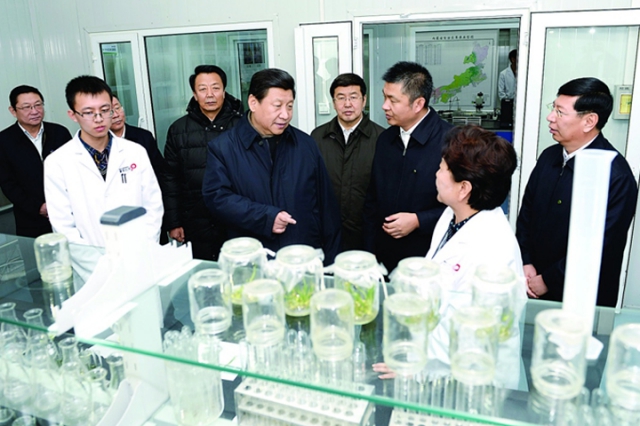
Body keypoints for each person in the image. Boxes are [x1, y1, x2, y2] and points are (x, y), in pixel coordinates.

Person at [374, 125, 526, 389]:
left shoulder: (491, 251)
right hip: (437, 365)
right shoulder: (453, 215)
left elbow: (472, 339)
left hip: (471, 381)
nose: (436, 173)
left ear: (463, 188)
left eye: (442, 168)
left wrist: (417, 367)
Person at [516, 77, 638, 307]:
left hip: (580, 298)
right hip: (530, 280)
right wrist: (525, 261)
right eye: (553, 108)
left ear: (589, 121)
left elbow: (601, 246)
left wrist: (549, 280)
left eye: (560, 112)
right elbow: (527, 214)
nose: (550, 117)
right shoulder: (549, 157)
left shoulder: (615, 176)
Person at [202, 68, 341, 264]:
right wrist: (264, 218)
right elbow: (217, 198)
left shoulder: (306, 145)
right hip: (255, 262)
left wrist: (330, 262)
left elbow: (327, 207)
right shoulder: (223, 148)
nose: (285, 114)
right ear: (253, 103)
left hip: (302, 259)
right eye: (277, 106)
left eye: (290, 106)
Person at [44, 76, 163, 247]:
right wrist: (93, 258)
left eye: (105, 110)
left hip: (138, 252)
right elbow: (62, 224)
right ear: (73, 115)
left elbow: (153, 206)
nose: (98, 118)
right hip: (88, 258)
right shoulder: (57, 162)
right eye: (88, 112)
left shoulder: (135, 152)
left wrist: (146, 245)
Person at [363, 61, 453, 272]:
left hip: (429, 261)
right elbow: (372, 200)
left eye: (393, 100)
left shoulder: (451, 142)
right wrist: (369, 251)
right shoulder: (385, 140)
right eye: (385, 97)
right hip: (384, 257)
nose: (384, 106)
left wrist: (418, 221)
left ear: (418, 104)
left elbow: (464, 208)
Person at [164, 65, 243, 261]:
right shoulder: (178, 130)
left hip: (236, 217)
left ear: (224, 91)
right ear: (194, 94)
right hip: (195, 219)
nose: (210, 94)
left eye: (215, 88)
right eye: (202, 89)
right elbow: (170, 178)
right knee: (204, 272)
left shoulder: (243, 126)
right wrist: (174, 222)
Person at [310, 73, 384, 251]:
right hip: (327, 232)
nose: (347, 104)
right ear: (334, 102)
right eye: (341, 98)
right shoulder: (317, 137)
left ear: (364, 100)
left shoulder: (382, 139)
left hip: (368, 234)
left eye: (353, 97)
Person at [0, 85, 72, 237]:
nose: (34, 111)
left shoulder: (59, 133)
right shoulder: (4, 141)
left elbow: (73, 171)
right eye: (26, 107)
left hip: (67, 212)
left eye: (38, 105)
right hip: (30, 219)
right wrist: (38, 207)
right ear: (13, 111)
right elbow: (7, 183)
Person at [110, 94, 167, 179]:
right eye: (110, 111)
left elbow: (160, 171)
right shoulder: (99, 144)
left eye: (117, 108)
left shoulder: (144, 137)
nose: (116, 115)